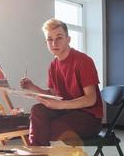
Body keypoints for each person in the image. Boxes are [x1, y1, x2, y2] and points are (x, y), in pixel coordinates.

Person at [20, 18, 103, 147]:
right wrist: (33, 87)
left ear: (68, 39)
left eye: (59, 37)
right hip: (67, 112)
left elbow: (91, 99)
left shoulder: (83, 61)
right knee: (37, 111)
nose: (54, 43)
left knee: (43, 129)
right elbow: (53, 95)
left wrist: (61, 105)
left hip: (89, 118)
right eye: (49, 39)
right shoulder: (53, 66)